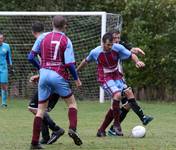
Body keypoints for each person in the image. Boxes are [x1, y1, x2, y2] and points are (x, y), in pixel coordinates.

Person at [77, 32, 145, 137]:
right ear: (102, 43)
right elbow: (85, 61)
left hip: (116, 76)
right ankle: (117, 125)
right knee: (117, 95)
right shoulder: (95, 52)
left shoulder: (117, 48)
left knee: (128, 93)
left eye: (111, 45)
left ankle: (101, 130)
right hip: (104, 77)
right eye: (108, 45)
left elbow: (131, 55)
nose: (110, 47)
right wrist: (76, 72)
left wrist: (137, 61)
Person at [29, 16, 83, 149]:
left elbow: (30, 57)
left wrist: (41, 68)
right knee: (72, 103)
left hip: (44, 74)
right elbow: (70, 64)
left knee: (40, 110)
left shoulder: (43, 37)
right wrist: (76, 79)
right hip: (58, 75)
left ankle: (34, 143)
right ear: (65, 26)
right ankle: (72, 129)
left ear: (52, 24)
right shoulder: (66, 40)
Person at [106, 30, 153, 136]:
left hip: (118, 79)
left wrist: (136, 53)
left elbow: (131, 50)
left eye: (118, 37)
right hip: (111, 80)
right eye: (115, 38)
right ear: (109, 39)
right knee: (128, 94)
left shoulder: (120, 45)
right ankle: (143, 117)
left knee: (127, 105)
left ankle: (113, 129)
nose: (117, 40)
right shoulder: (106, 48)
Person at [28, 22, 65, 145]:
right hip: (59, 79)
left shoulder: (40, 40)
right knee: (41, 109)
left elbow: (30, 57)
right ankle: (45, 137)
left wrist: (41, 70)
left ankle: (56, 129)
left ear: (33, 32)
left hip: (49, 81)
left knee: (34, 108)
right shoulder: (53, 39)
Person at [0, 32, 13, 108]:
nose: (0, 40)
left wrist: (11, 67)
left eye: (1, 38)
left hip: (3, 68)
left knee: (3, 84)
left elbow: (9, 58)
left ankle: (4, 103)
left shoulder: (7, 46)